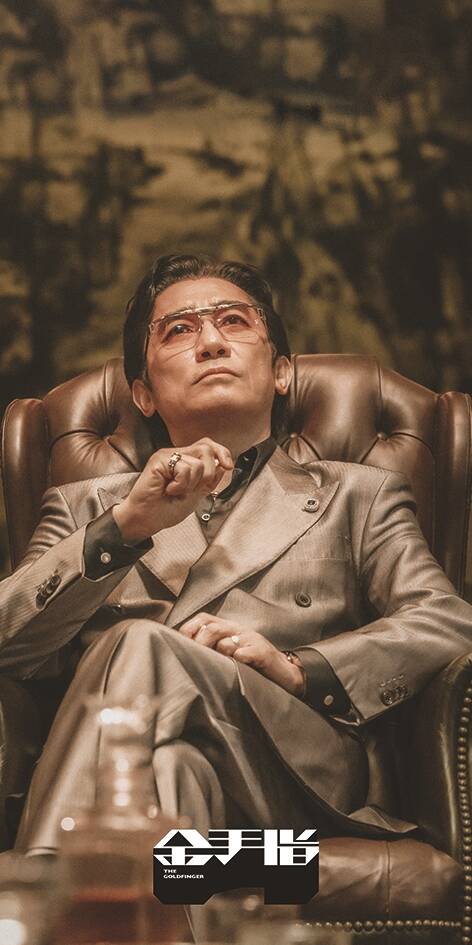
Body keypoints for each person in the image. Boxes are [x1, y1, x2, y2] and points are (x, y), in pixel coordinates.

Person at [1, 252, 471, 856]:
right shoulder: (86, 509)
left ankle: (50, 882)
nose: (211, 343)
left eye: (233, 321)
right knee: (175, 773)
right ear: (143, 395)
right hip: (251, 850)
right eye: (179, 330)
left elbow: (448, 623)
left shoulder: (357, 495)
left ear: (281, 374)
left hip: (296, 791)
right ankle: (145, 887)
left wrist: (299, 667)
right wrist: (125, 528)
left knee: (140, 642)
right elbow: (9, 643)